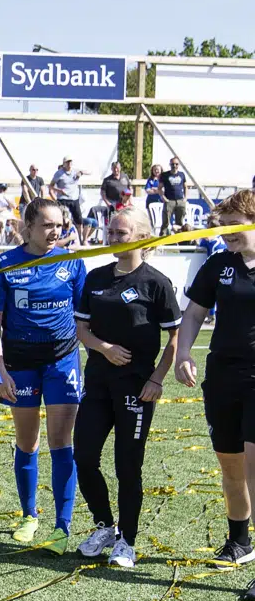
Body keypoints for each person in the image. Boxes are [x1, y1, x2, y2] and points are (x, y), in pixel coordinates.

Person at [73, 208, 181, 568]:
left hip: (137, 388)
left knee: (127, 466)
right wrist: (104, 349)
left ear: (141, 237)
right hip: (98, 383)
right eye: (111, 232)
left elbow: (176, 338)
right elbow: (82, 330)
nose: (113, 238)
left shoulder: (156, 283)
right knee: (84, 457)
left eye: (120, 233)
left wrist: (156, 379)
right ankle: (104, 525)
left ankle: (127, 541)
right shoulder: (96, 277)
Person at [0, 199, 87, 551]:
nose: (55, 231)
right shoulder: (3, 265)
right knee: (27, 441)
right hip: (20, 363)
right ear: (26, 226)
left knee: (61, 442)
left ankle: (62, 526)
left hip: (62, 361)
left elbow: (83, 318)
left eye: (59, 225)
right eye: (47, 225)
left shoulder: (72, 262)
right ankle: (30, 515)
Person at [174, 189, 255, 592]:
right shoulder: (219, 264)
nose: (226, 234)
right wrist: (182, 353)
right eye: (221, 227)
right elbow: (193, 314)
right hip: (223, 375)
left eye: (234, 225)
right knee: (232, 466)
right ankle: (240, 541)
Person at [50, 158, 86, 245]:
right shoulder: (59, 173)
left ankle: (79, 240)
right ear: (64, 163)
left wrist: (81, 173)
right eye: (67, 162)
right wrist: (59, 191)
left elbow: (89, 171)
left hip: (74, 199)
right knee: (63, 220)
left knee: (79, 221)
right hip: (63, 199)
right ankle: (61, 239)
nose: (69, 164)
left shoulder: (75, 171)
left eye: (70, 162)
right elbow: (51, 186)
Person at [161, 157, 189, 232]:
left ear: (178, 165)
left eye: (176, 164)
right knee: (165, 222)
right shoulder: (165, 175)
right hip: (169, 201)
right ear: (170, 164)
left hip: (180, 201)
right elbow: (159, 188)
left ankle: (179, 240)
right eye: (172, 164)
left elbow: (186, 187)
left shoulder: (182, 174)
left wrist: (185, 198)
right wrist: (163, 197)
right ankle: (162, 238)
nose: (174, 165)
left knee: (179, 223)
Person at [144, 162, 167, 236]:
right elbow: (147, 190)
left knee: (162, 220)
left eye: (158, 169)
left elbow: (164, 190)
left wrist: (155, 189)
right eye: (155, 170)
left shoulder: (164, 179)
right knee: (152, 221)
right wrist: (158, 191)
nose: (156, 171)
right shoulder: (150, 179)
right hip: (150, 202)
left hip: (161, 202)